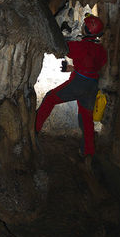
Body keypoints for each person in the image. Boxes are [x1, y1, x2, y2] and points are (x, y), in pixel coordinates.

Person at [35, 14, 107, 162]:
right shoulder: (101, 50)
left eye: (84, 25)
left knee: (50, 98)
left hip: (78, 84)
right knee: (86, 118)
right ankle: (88, 153)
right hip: (92, 85)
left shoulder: (80, 46)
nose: (81, 27)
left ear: (87, 29)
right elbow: (91, 67)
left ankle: (33, 130)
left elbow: (61, 48)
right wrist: (72, 68)